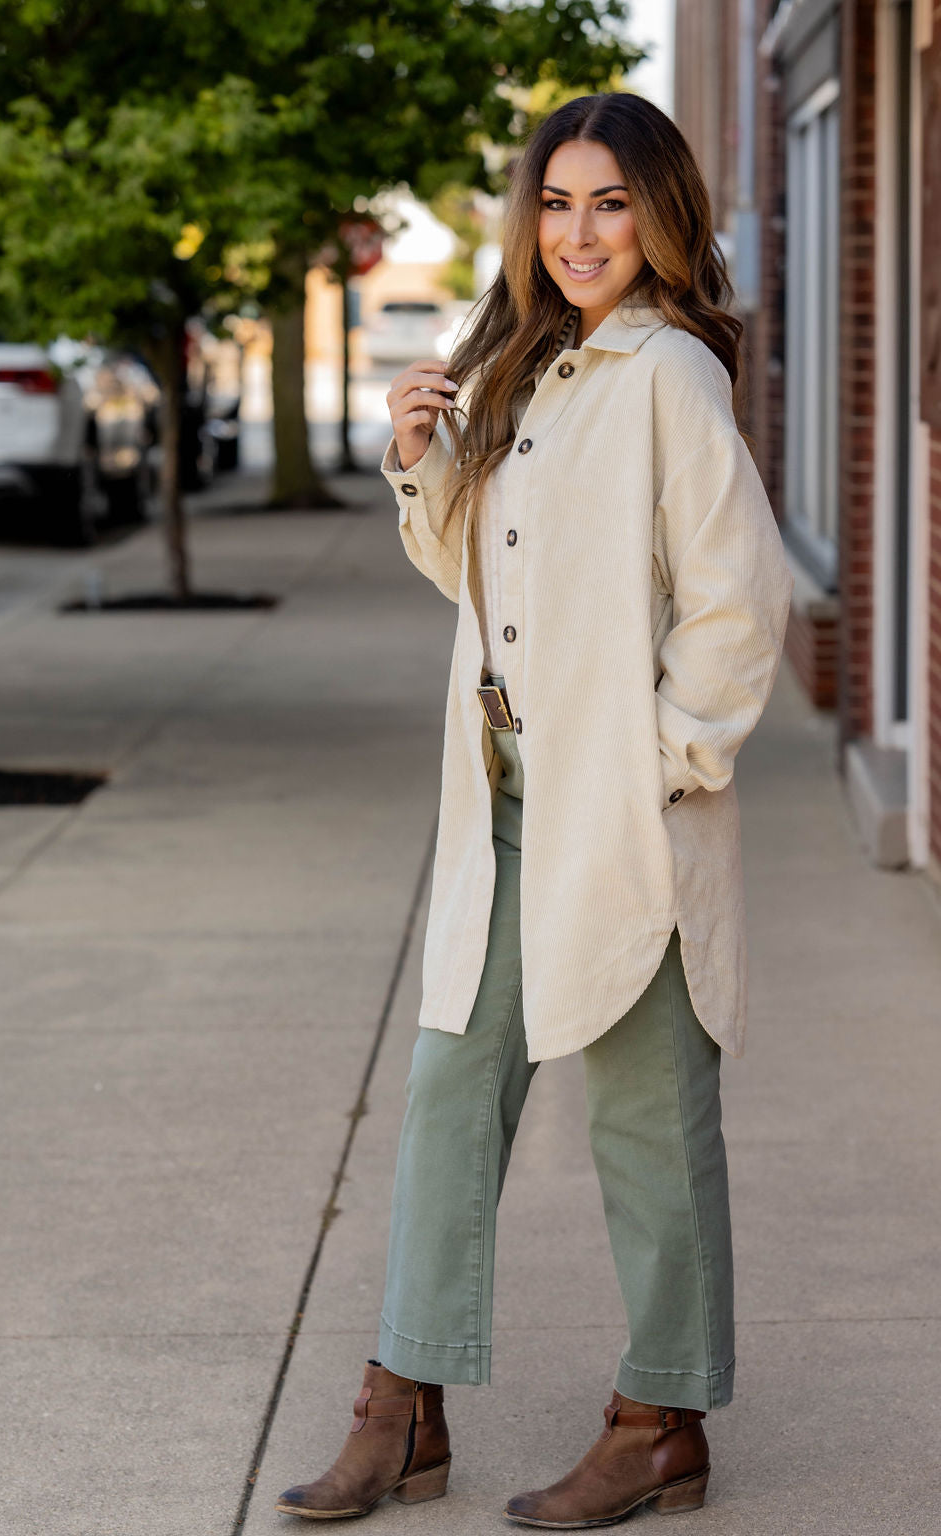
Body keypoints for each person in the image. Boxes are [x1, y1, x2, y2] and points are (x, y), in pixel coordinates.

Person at [276, 91, 794, 1528]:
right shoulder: (524, 360)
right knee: (451, 1090)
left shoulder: (666, 374)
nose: (579, 232)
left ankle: (662, 1421)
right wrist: (423, 457)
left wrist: (664, 765)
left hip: (620, 809)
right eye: (557, 203)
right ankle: (404, 1407)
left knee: (645, 1110)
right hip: (504, 799)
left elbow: (741, 605)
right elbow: (478, 573)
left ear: (660, 215)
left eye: (610, 203)